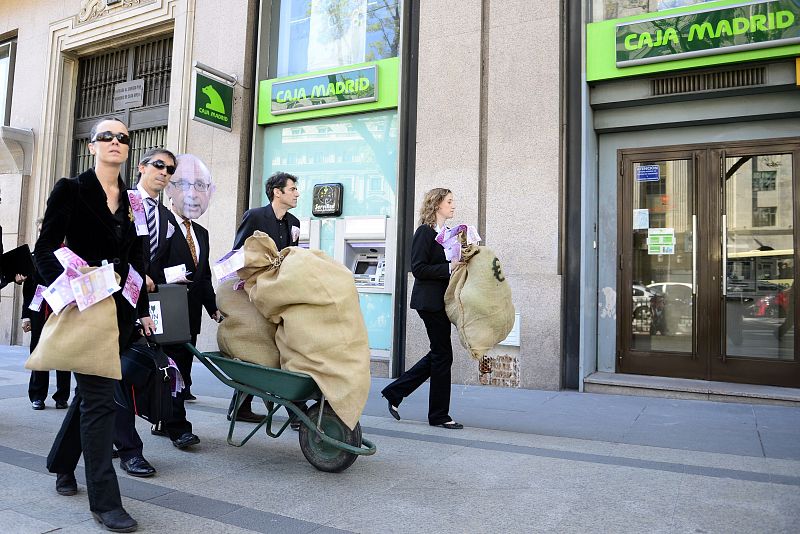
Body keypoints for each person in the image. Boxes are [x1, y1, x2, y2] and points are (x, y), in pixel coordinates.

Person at [35, 117, 154, 533]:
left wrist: (141, 312)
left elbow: (138, 259)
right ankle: (105, 501)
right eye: (107, 136)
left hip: (120, 313)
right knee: (102, 398)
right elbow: (45, 249)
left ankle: (60, 463)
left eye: (123, 138)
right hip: (85, 309)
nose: (116, 142)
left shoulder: (135, 201)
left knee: (91, 395)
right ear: (92, 146)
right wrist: (70, 287)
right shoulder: (71, 189)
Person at [113, 148, 178, 479]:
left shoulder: (166, 218)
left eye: (170, 169)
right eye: (158, 165)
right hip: (108, 299)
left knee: (109, 379)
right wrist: (134, 276)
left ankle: (65, 459)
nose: (164, 173)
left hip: (139, 306)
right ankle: (128, 449)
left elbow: (157, 264)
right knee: (112, 376)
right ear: (141, 167)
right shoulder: (122, 201)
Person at [152, 154, 221, 449]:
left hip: (190, 312)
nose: (193, 196)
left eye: (199, 190)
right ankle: (178, 427)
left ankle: (163, 419)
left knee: (183, 370)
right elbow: (149, 268)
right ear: (173, 191)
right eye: (186, 188)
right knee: (173, 369)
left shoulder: (202, 233)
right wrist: (170, 277)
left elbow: (203, 275)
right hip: (165, 307)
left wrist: (213, 306)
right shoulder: (160, 221)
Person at [381, 188, 464, 429]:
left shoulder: (447, 234)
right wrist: (448, 268)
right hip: (428, 302)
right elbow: (418, 268)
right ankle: (438, 415)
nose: (453, 205)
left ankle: (396, 391)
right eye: (449, 201)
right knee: (442, 355)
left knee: (439, 354)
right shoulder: (424, 233)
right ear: (437, 204)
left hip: (442, 301)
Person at [229, 171, 301, 423]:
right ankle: (292, 412)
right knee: (260, 348)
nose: (297, 193)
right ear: (277, 192)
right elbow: (238, 251)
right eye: (292, 189)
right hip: (256, 292)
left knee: (282, 346)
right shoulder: (255, 216)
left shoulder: (294, 222)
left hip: (281, 293)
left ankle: (244, 406)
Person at [22, 218, 71, 410]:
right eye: (41, 229)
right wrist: (26, 316)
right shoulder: (35, 255)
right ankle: (37, 395)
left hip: (64, 309)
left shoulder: (67, 254)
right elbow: (28, 288)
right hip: (40, 310)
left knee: (64, 353)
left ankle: (62, 396)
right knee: (39, 352)